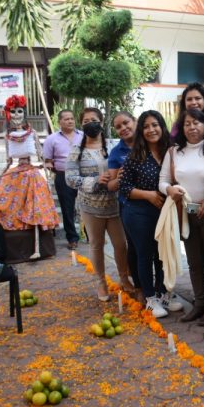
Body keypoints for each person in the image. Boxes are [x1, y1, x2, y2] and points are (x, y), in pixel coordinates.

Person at [159, 108, 204, 326]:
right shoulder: (174, 151)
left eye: (196, 123)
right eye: (187, 123)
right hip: (186, 214)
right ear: (182, 127)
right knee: (194, 262)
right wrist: (169, 190)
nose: (192, 127)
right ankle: (199, 304)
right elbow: (163, 181)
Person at [65, 108, 133, 302]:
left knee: (121, 244)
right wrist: (96, 180)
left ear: (101, 123)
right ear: (81, 125)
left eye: (94, 120)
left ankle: (124, 278)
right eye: (86, 121)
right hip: (90, 205)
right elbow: (70, 179)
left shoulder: (114, 146)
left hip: (115, 204)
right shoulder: (76, 151)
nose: (90, 123)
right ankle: (101, 282)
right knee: (96, 244)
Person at [119, 111, 178, 318]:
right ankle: (151, 299)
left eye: (155, 125)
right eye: (146, 126)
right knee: (145, 255)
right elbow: (124, 188)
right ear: (141, 131)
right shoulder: (135, 156)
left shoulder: (172, 152)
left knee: (163, 254)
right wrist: (148, 195)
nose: (151, 130)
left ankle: (163, 295)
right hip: (138, 213)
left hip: (164, 212)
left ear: (162, 127)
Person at [0, 95, 59, 260]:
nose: (16, 115)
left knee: (35, 206)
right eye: (13, 111)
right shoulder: (8, 136)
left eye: (19, 111)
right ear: (9, 114)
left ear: (24, 113)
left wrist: (46, 168)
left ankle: (37, 247)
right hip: (16, 172)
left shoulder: (32, 133)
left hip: (31, 173)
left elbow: (40, 155)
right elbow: (8, 161)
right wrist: (2, 174)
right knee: (6, 202)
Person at [106, 111, 143, 297]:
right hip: (130, 206)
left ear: (135, 121)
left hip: (155, 202)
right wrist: (120, 178)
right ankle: (141, 287)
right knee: (135, 248)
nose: (123, 128)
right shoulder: (116, 152)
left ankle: (162, 288)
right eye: (118, 127)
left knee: (157, 249)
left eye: (126, 123)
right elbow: (111, 185)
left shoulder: (148, 142)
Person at [43, 109, 83, 250]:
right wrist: (55, 169)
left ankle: (91, 234)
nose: (70, 121)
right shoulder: (51, 139)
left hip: (84, 174)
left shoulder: (83, 136)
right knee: (67, 208)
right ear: (59, 121)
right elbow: (48, 161)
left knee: (89, 205)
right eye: (66, 119)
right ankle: (72, 238)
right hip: (63, 175)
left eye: (71, 118)